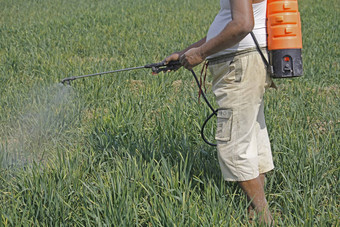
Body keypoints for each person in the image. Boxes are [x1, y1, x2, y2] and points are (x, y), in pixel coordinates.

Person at [164, 0, 275, 225]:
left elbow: (242, 24)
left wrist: (201, 54)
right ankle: (255, 213)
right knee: (250, 138)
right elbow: (229, 25)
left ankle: (265, 218)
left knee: (233, 147)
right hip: (247, 61)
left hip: (238, 65)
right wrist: (186, 53)